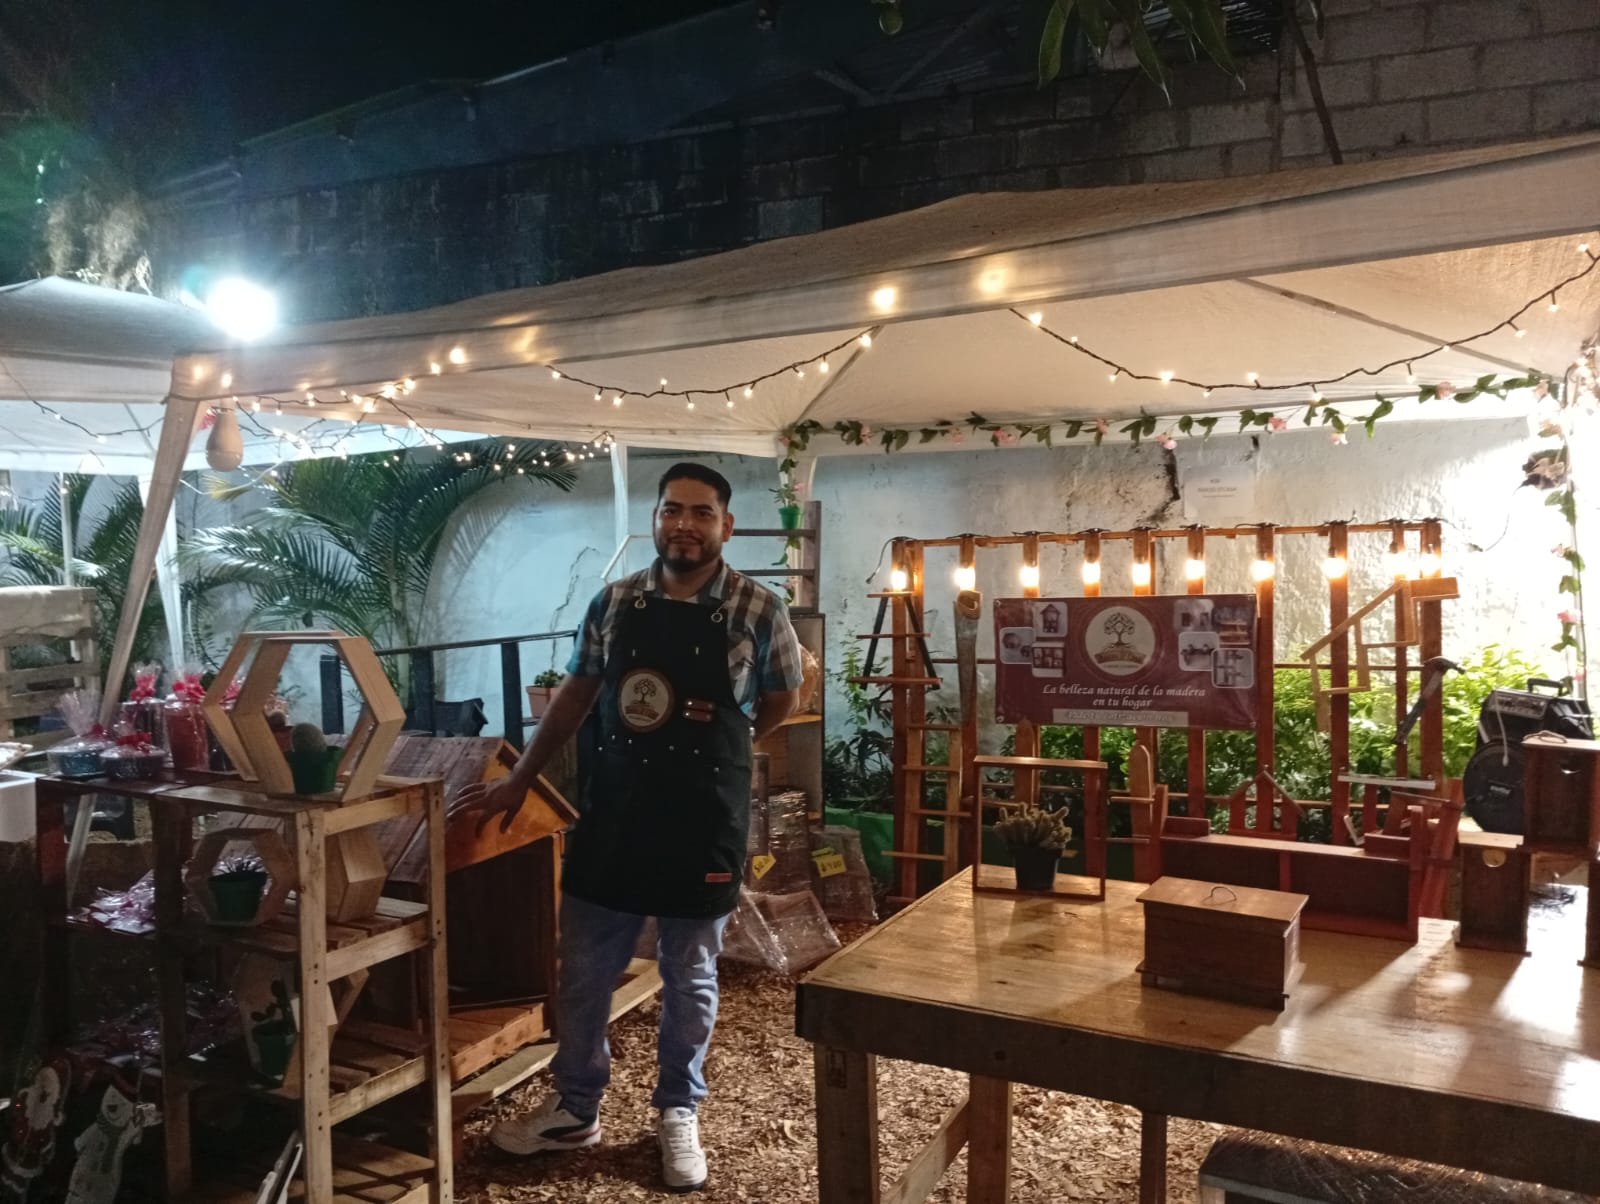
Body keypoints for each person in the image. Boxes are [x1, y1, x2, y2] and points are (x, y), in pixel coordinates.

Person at [455, 461, 801, 1192]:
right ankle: (576, 1107)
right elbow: (575, 693)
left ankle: (678, 1109)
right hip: (617, 811)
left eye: (701, 513)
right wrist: (521, 778)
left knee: (690, 971)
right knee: (583, 966)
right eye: (672, 509)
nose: (685, 525)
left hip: (704, 814)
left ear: (726, 525)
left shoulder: (758, 607)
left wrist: (730, 740)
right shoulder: (614, 601)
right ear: (656, 518)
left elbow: (783, 696)